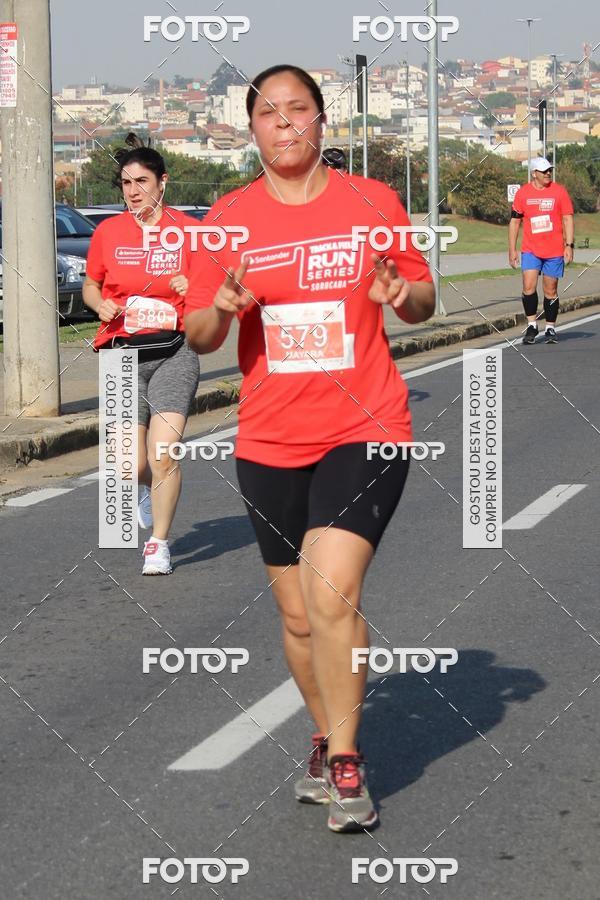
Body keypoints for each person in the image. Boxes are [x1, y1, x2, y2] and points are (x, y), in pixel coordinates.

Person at [184, 65, 435, 832]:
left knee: (331, 594)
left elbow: (424, 304)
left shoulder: (372, 204)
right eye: (269, 112)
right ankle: (325, 736)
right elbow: (196, 331)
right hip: (269, 437)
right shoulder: (227, 219)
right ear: (250, 127)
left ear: (324, 121)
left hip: (366, 426)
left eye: (299, 109)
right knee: (297, 619)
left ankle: (350, 761)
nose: (285, 123)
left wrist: (401, 294)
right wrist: (220, 309)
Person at [83, 134, 200, 575]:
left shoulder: (190, 232)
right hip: (120, 351)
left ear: (162, 183)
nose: (133, 192)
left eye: (142, 181)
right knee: (130, 464)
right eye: (126, 183)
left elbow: (227, 288)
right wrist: (100, 304)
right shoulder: (109, 232)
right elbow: (91, 285)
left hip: (176, 350)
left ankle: (158, 544)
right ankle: (146, 488)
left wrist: (198, 289)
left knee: (164, 451)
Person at [508, 157, 575, 344]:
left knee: (550, 290)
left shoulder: (559, 192)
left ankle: (551, 328)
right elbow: (515, 221)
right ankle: (531, 325)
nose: (548, 173)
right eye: (544, 171)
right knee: (528, 287)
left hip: (554, 250)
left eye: (549, 170)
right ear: (534, 173)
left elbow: (568, 218)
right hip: (530, 249)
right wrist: (512, 249)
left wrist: (569, 245)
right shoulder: (523, 193)